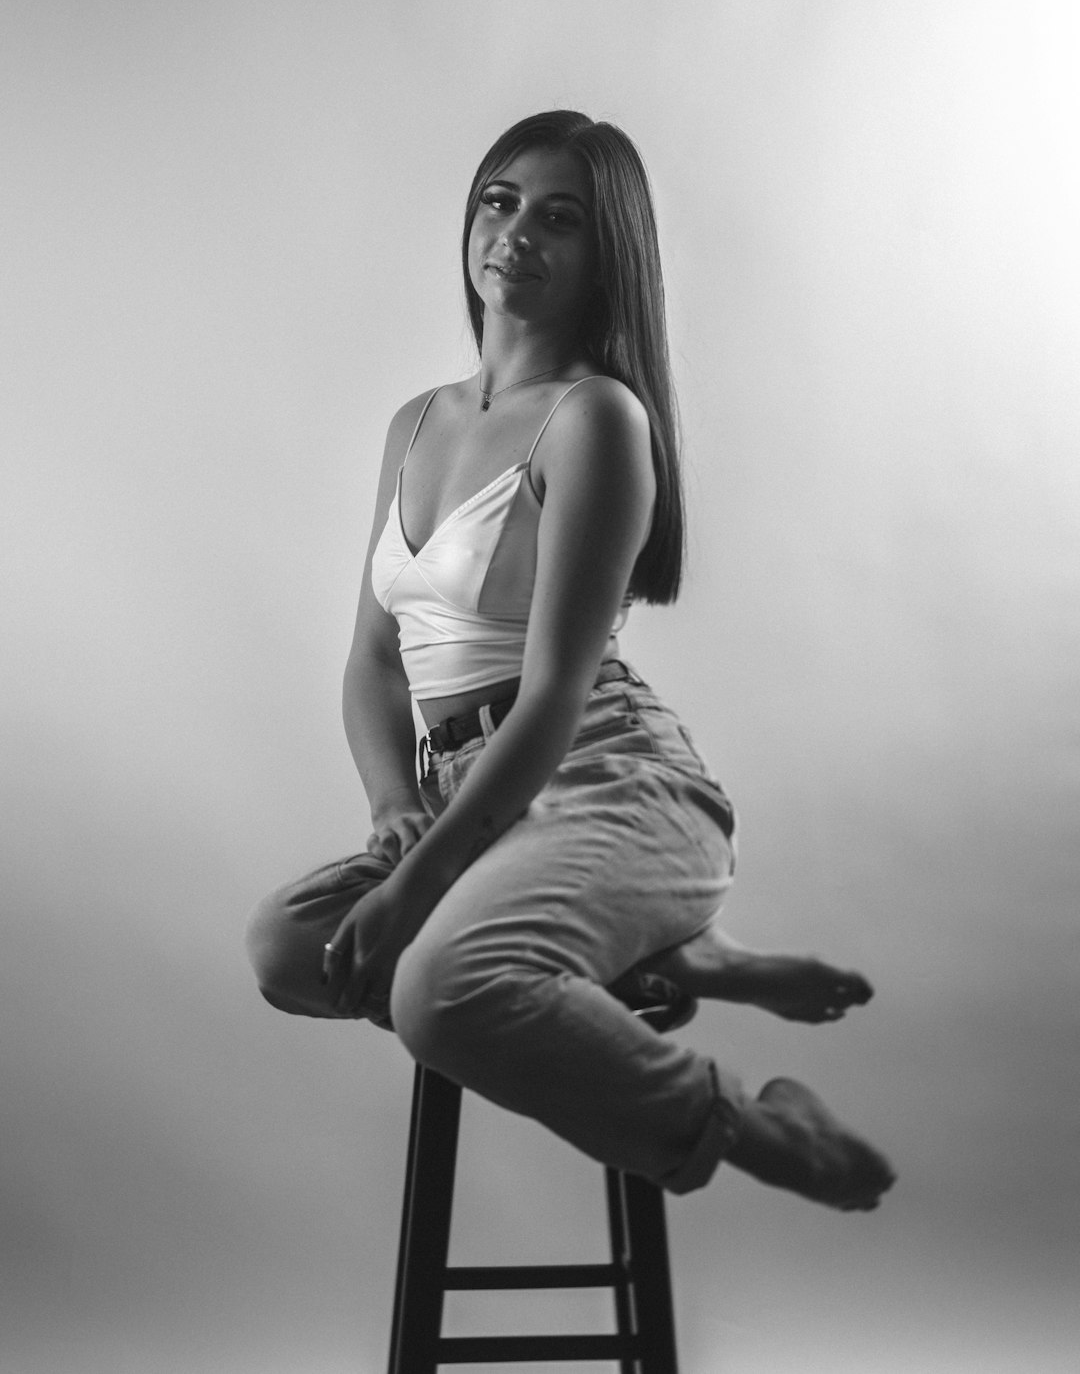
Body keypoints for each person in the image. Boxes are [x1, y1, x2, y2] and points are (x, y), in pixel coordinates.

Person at [246, 110, 895, 1209]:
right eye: (499, 201)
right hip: (467, 791)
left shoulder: (597, 418)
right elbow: (372, 659)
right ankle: (679, 960)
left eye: (561, 219)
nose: (516, 234)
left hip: (604, 778)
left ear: (608, 259)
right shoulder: (417, 424)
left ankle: (754, 1126)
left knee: (441, 994)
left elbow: (549, 698)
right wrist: (393, 808)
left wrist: (420, 887)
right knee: (286, 945)